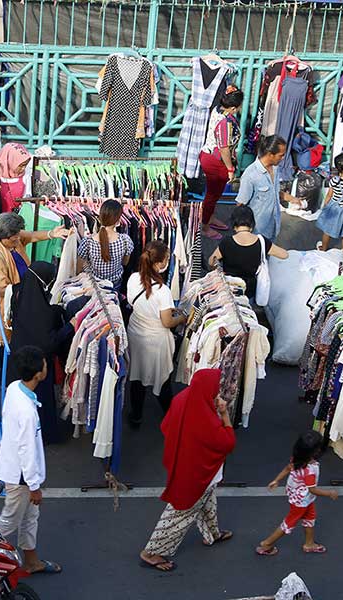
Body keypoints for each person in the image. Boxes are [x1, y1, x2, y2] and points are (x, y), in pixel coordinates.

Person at [139, 369, 236, 572]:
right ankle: (150, 552)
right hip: (200, 476)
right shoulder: (207, 419)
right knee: (178, 515)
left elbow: (166, 426)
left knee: (208, 503)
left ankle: (212, 534)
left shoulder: (182, 399)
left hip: (185, 466)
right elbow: (228, 442)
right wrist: (224, 414)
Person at [0, 345, 61, 575]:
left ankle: (32, 561)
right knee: (9, 522)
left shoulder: (15, 388)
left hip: (17, 469)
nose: (46, 366)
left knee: (30, 517)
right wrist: (34, 486)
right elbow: (27, 450)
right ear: (38, 374)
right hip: (21, 476)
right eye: (44, 364)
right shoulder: (27, 412)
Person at [0, 212, 71, 381]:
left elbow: (31, 236)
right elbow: (1, 288)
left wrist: (51, 234)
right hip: (10, 299)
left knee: (2, 329)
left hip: (21, 292)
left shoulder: (14, 238)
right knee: (4, 331)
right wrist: (26, 290)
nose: (18, 239)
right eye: (15, 237)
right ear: (5, 238)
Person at [7, 261, 76, 444]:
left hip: (16, 360)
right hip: (35, 366)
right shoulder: (45, 315)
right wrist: (70, 326)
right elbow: (50, 343)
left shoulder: (18, 294)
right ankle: (43, 435)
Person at [126, 241, 186, 429]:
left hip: (136, 334)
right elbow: (167, 322)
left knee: (137, 377)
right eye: (166, 259)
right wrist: (182, 318)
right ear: (159, 263)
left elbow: (135, 303)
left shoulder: (133, 278)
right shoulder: (162, 290)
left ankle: (136, 416)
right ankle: (171, 416)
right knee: (163, 379)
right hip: (156, 340)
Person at [256, 430, 338, 556]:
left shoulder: (298, 459)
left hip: (302, 498)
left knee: (310, 518)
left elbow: (287, 468)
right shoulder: (310, 470)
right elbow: (312, 489)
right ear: (316, 451)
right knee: (289, 523)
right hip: (301, 500)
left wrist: (276, 480)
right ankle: (266, 544)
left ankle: (309, 543)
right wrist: (329, 493)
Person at [0, 143, 34, 308]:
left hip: (14, 227)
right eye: (20, 165)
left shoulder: (26, 176)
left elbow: (29, 196)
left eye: (24, 165)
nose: (22, 168)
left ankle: (9, 300)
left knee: (13, 264)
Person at [208, 205, 288, 300]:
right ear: (252, 224)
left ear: (234, 224)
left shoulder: (227, 242)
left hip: (229, 287)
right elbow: (284, 255)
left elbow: (211, 261)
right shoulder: (261, 242)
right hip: (249, 289)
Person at [235, 134, 302, 241]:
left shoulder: (275, 169)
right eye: (281, 155)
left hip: (273, 227)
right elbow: (240, 205)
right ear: (270, 154)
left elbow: (273, 192)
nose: (283, 158)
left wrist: (292, 199)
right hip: (257, 231)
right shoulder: (250, 175)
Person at [198, 86, 244, 240]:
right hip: (216, 161)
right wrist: (230, 169)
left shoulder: (217, 110)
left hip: (209, 156)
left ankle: (209, 218)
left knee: (214, 194)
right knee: (212, 196)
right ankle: (204, 227)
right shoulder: (225, 122)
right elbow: (224, 148)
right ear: (233, 108)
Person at [77, 199, 133, 289]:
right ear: (118, 220)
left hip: (94, 286)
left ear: (100, 217)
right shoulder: (125, 240)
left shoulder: (87, 241)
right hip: (115, 284)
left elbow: (79, 268)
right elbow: (125, 262)